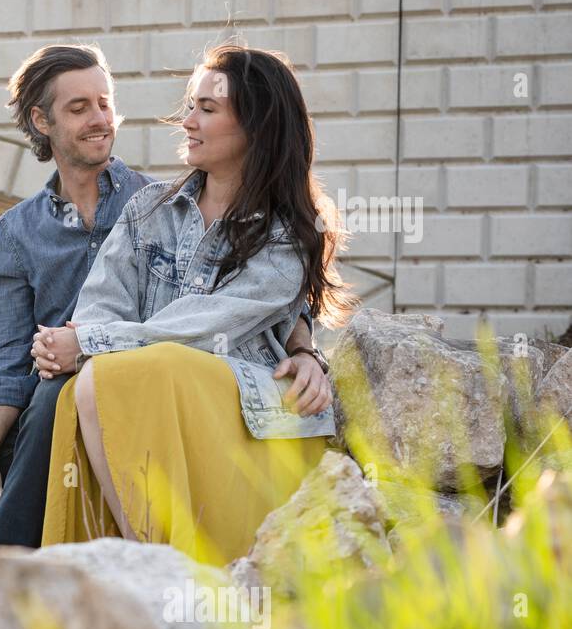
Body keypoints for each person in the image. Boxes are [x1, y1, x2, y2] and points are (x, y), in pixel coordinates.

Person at [0, 43, 331, 549]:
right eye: (79, 107)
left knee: (65, 389)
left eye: (105, 103)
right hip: (40, 412)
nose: (100, 119)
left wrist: (303, 347)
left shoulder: (154, 198)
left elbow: (258, 298)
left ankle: (4, 579)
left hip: (107, 402)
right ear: (41, 121)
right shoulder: (22, 231)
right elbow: (7, 365)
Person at [33, 44, 358, 564]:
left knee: (114, 373)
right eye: (191, 105)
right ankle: (147, 562)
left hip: (238, 414)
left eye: (207, 109)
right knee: (92, 383)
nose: (187, 121)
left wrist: (88, 344)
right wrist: (86, 337)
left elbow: (204, 330)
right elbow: (100, 305)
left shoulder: (288, 235)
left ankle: (157, 569)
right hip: (153, 393)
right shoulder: (149, 208)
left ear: (258, 127)